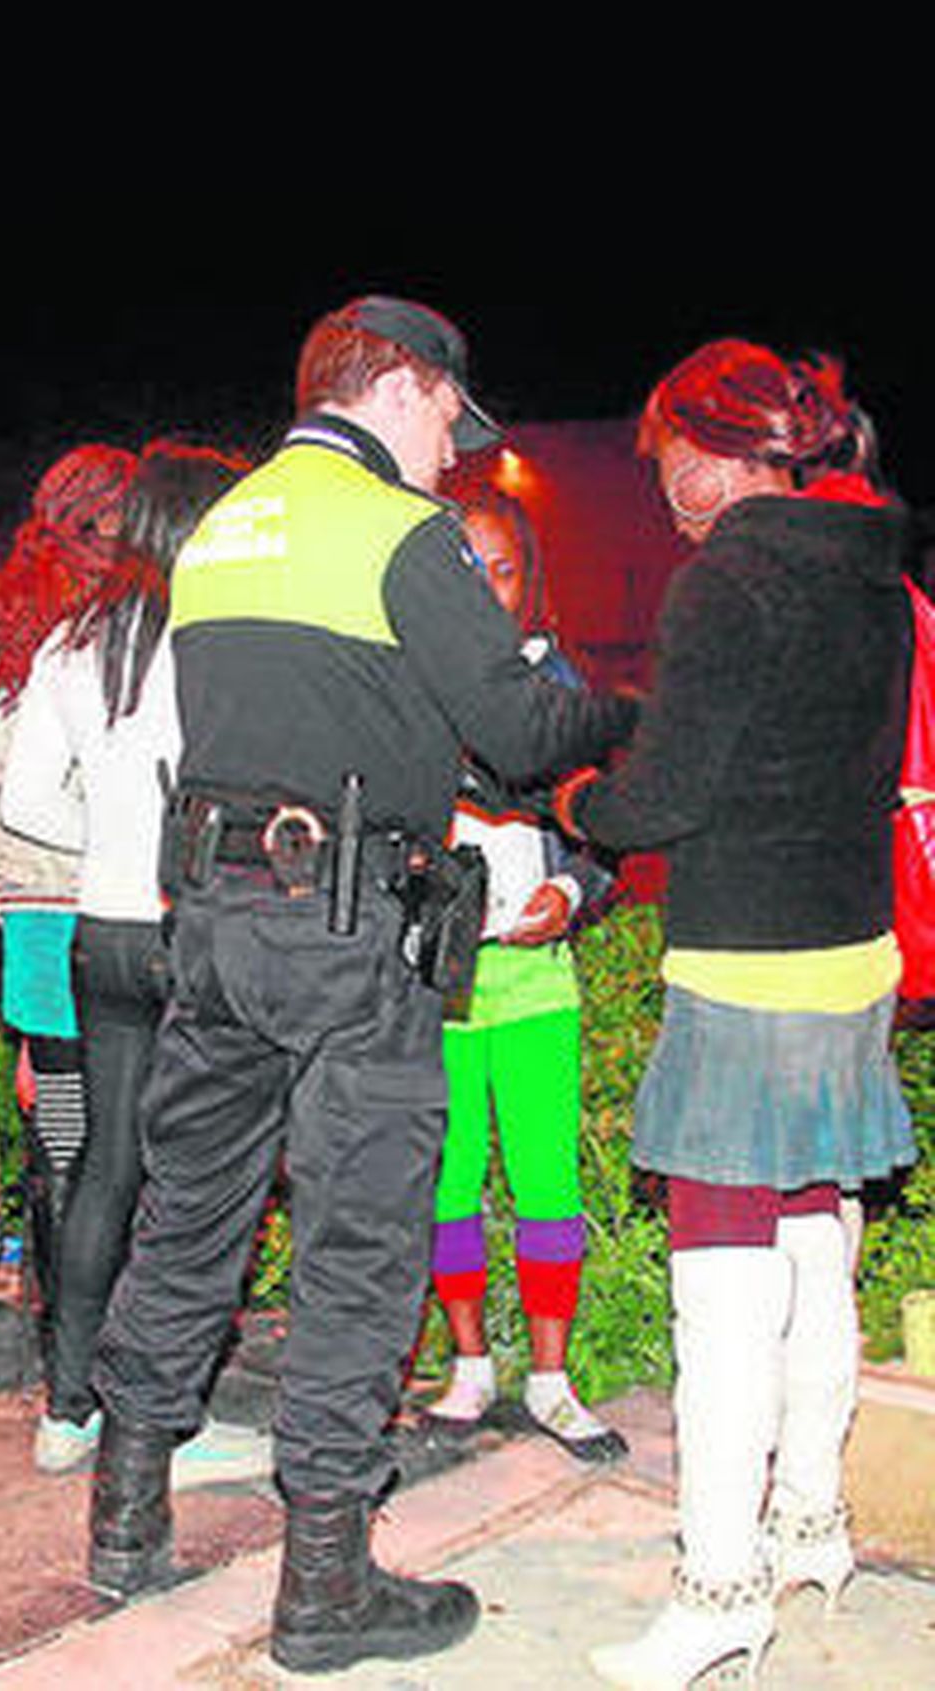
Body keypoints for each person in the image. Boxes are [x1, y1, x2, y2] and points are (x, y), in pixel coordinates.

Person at [84, 295, 638, 1677]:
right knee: (360, 1239)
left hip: (211, 918)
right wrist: (627, 710)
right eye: (453, 412)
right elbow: (512, 735)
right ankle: (325, 1579)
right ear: (401, 386)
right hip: (346, 934)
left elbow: (308, 711)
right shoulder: (397, 531)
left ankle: (126, 1517)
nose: (457, 444)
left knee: (191, 1213)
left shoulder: (226, 526)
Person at [558, 340, 917, 1690]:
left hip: (748, 964)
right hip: (852, 954)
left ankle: (718, 1586)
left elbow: (666, 798)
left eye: (668, 461)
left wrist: (576, 798)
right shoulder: (875, 570)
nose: (663, 489)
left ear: (718, 448)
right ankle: (812, 1519)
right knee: (819, 1232)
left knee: (721, 1278)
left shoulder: (731, 574)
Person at [2, 438, 270, 1489]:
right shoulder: (215, 640)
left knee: (103, 1168)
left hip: (99, 933)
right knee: (191, 1180)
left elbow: (22, 800)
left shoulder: (73, 640)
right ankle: (165, 1418)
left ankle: (67, 1408)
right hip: (190, 929)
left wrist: (107, 836)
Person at [423, 483, 628, 1464]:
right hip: (440, 992)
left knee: (546, 1182)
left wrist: (573, 894)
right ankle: (470, 1365)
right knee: (445, 1186)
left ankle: (551, 1379)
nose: (484, 588)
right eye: (463, 570)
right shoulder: (404, 686)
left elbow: (607, 835)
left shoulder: (562, 691)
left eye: (501, 569)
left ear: (529, 580)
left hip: (539, 979)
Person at [0, 445, 135, 1371]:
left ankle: (59, 1343)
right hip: (119, 904)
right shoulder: (121, 623)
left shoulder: (8, 628)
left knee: (58, 1125)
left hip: (34, 910)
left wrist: (8, 830)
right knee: (125, 1133)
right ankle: (110, 1346)